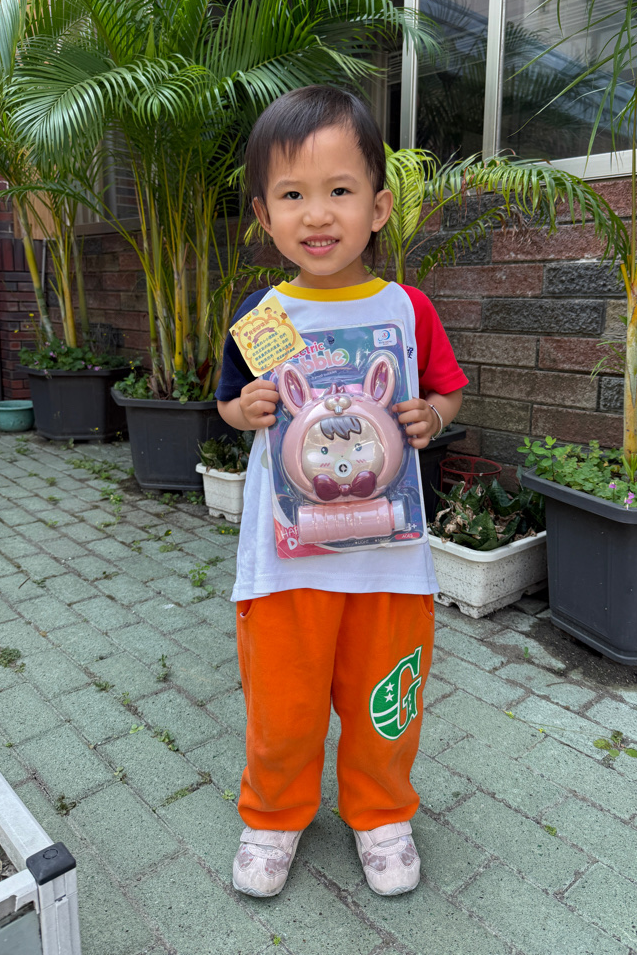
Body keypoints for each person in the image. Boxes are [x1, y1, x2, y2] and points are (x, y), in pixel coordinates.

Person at [216, 85, 467, 899]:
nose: (317, 215)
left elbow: (447, 392)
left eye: (339, 190)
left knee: (385, 702)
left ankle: (381, 812)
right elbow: (228, 404)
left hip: (391, 562)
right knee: (282, 706)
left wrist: (431, 416)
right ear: (264, 215)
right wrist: (246, 408)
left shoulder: (407, 308)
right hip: (283, 564)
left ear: (378, 206)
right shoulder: (264, 315)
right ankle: (273, 814)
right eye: (292, 195)